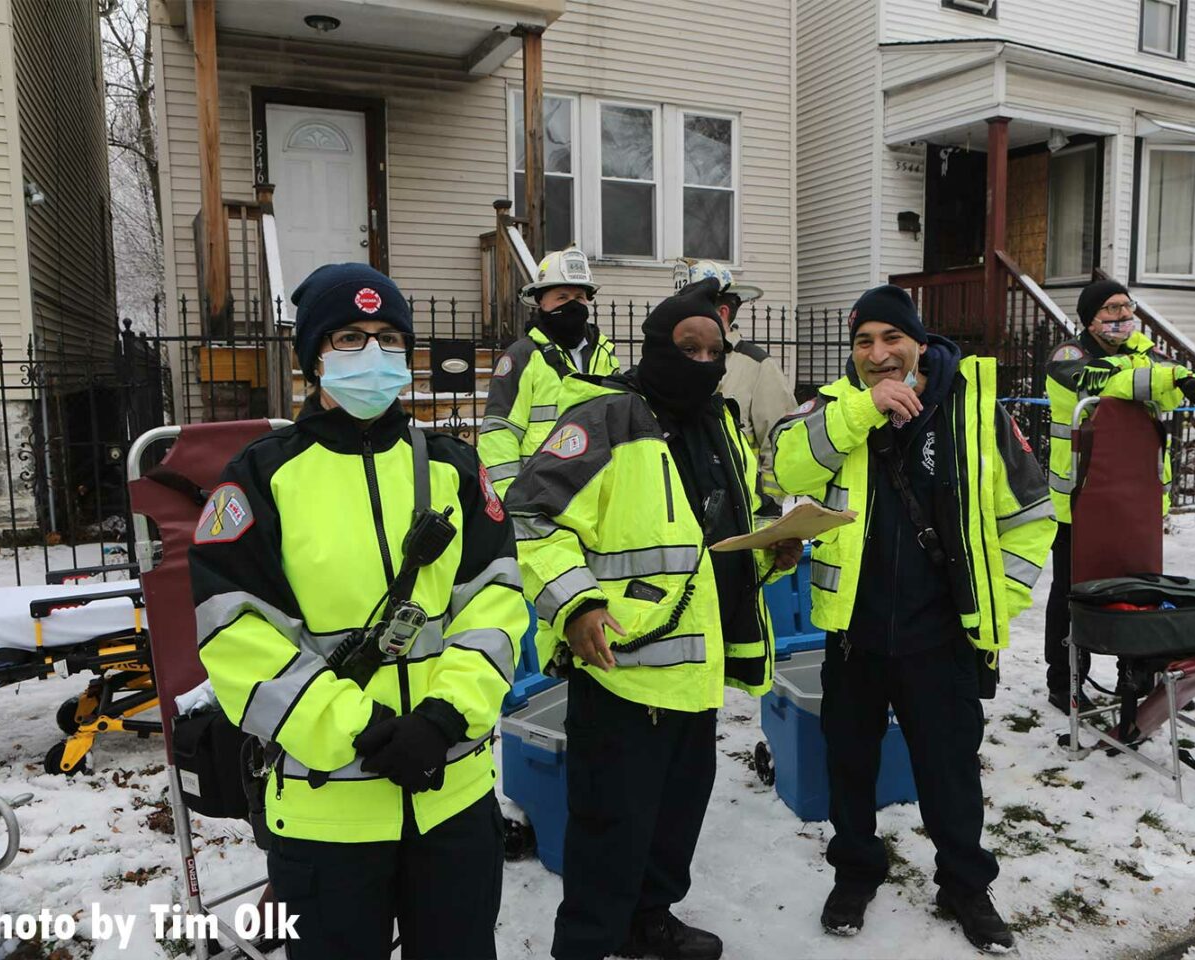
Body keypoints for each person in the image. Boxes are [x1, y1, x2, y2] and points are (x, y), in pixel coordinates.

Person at [189, 263, 527, 960]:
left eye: (387, 338)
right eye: (348, 337)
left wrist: (442, 720)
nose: (371, 355)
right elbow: (237, 637)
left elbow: (495, 606)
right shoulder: (261, 478)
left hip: (453, 796)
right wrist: (360, 731)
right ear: (313, 357)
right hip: (327, 814)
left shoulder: (454, 469)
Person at [507, 277, 799, 960]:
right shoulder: (607, 415)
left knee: (674, 818)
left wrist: (770, 546)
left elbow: (707, 541)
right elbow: (531, 515)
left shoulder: (719, 421)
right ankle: (586, 943)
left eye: (713, 350)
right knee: (610, 825)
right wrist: (575, 602)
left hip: (694, 674)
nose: (701, 361)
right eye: (686, 346)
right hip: (622, 669)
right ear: (654, 345)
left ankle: (649, 921)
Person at [767, 284, 1055, 951]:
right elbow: (782, 468)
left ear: (919, 344)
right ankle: (856, 871)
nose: (878, 353)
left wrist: (993, 603)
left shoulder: (973, 412)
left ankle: (964, 885)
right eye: (864, 341)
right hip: (852, 634)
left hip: (941, 636)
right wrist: (859, 413)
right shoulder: (833, 408)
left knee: (949, 768)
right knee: (850, 763)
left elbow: (1032, 517)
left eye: (892, 338)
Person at [1042, 279, 1195, 715]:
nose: (1122, 317)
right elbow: (1103, 381)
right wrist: (1172, 375)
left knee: (1141, 591)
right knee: (1073, 593)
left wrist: (1182, 378)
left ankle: (1137, 673)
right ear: (1089, 318)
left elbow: (1163, 386)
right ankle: (1063, 679)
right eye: (1111, 309)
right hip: (1081, 499)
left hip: (1136, 499)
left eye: (1127, 307)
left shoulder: (1146, 355)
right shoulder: (1068, 356)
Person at [480, 247, 620, 497]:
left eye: (579, 297)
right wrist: (508, 495)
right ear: (541, 301)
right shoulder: (522, 356)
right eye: (562, 297)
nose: (572, 305)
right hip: (540, 495)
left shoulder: (604, 354)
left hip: (599, 491)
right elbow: (499, 432)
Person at [672, 259, 798, 475]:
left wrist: (765, 504)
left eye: (690, 308)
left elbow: (784, 450)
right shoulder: (672, 361)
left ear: (721, 313)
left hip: (742, 505)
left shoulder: (757, 367)